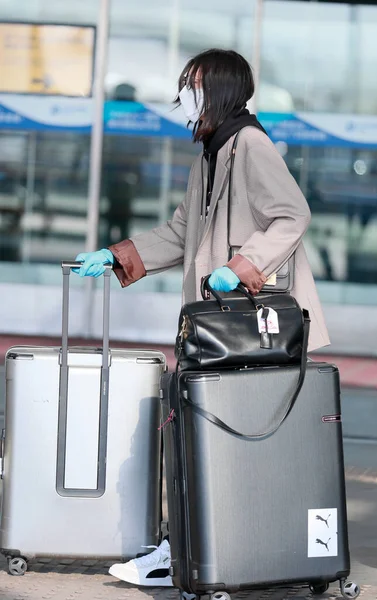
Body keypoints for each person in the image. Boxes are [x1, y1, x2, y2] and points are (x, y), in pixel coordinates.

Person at [73, 48, 330, 587]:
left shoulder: (251, 145)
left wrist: (242, 267)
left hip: (251, 329)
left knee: (223, 439)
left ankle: (216, 551)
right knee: (200, 437)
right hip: (222, 329)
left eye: (192, 86)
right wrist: (117, 256)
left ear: (218, 90)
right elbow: (177, 234)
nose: (184, 96)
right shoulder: (211, 155)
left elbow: (292, 214)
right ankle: (191, 548)